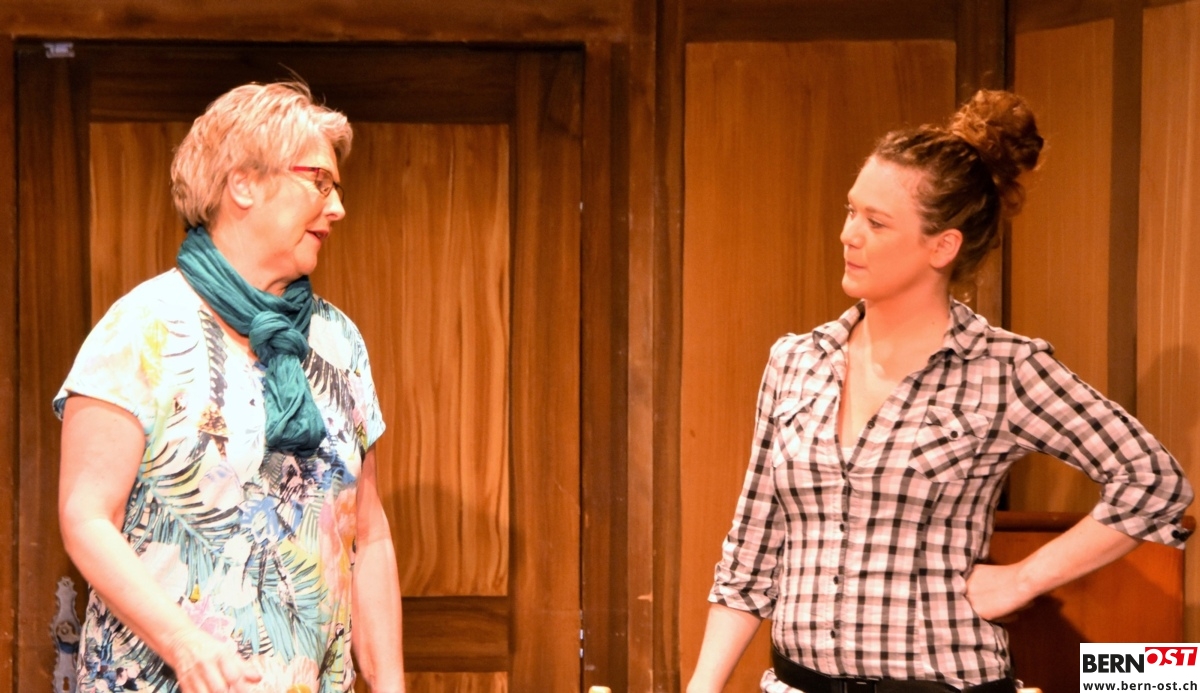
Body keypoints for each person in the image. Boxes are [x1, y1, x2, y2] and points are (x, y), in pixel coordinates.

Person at [686, 90, 1194, 693]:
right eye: (851, 211)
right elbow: (751, 552)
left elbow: (1153, 484)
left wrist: (1023, 580)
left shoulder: (1001, 370)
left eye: (876, 222)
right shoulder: (797, 361)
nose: (849, 235)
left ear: (942, 245)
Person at [55, 81, 406, 693]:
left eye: (337, 189)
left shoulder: (339, 343)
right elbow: (86, 517)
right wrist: (184, 643)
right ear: (243, 182)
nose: (337, 208)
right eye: (320, 182)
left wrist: (391, 685)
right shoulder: (140, 329)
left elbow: (368, 535)